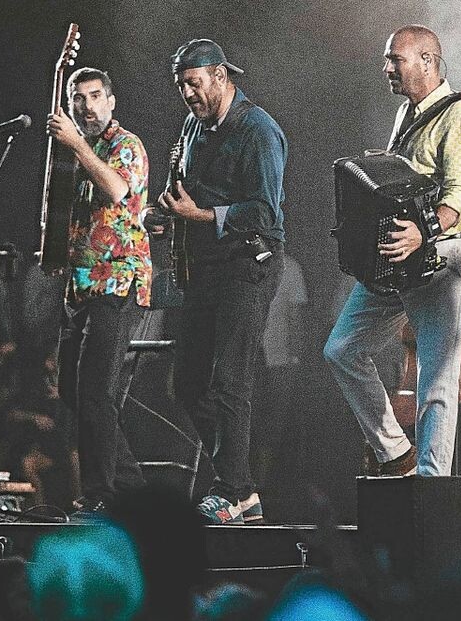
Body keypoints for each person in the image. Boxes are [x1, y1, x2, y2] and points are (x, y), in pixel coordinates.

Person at [324, 24, 461, 476]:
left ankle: (432, 489)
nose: (386, 68)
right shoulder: (407, 114)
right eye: (387, 59)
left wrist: (423, 230)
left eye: (396, 59)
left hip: (442, 255)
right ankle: (396, 453)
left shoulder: (460, 115)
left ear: (428, 62)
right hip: (400, 256)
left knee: (436, 380)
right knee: (342, 349)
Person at [158, 39, 287, 524]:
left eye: (194, 84)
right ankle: (240, 483)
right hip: (206, 267)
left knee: (231, 378)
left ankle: (233, 490)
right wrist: (167, 213)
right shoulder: (194, 126)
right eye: (181, 87)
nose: (188, 95)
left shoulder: (258, 130)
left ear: (220, 76)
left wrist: (203, 214)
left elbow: (264, 209)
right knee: (187, 383)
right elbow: (187, 189)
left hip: (247, 262)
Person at [48, 67, 151, 516]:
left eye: (95, 97)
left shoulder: (124, 144)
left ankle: (101, 497)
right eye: (79, 99)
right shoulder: (78, 151)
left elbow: (114, 189)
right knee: (72, 390)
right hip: (82, 287)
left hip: (118, 282)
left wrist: (75, 143)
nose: (87, 107)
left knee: (94, 391)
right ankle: (132, 491)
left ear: (110, 102)